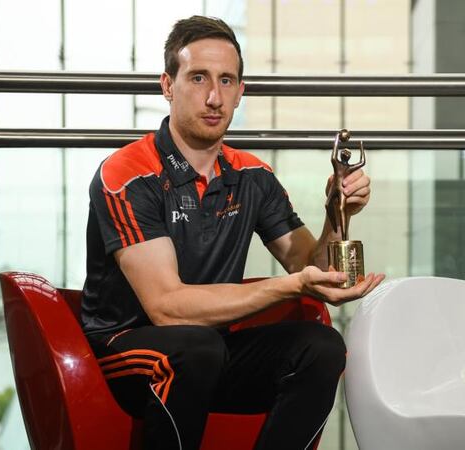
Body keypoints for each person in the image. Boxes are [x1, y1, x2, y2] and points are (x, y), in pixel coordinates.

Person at [81, 15, 384, 450]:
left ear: (241, 92)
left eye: (227, 81)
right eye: (198, 77)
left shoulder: (252, 175)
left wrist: (337, 212)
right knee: (195, 348)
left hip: (211, 350)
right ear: (168, 85)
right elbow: (166, 307)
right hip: (123, 354)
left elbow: (306, 265)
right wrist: (290, 286)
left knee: (321, 347)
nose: (213, 97)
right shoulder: (128, 173)